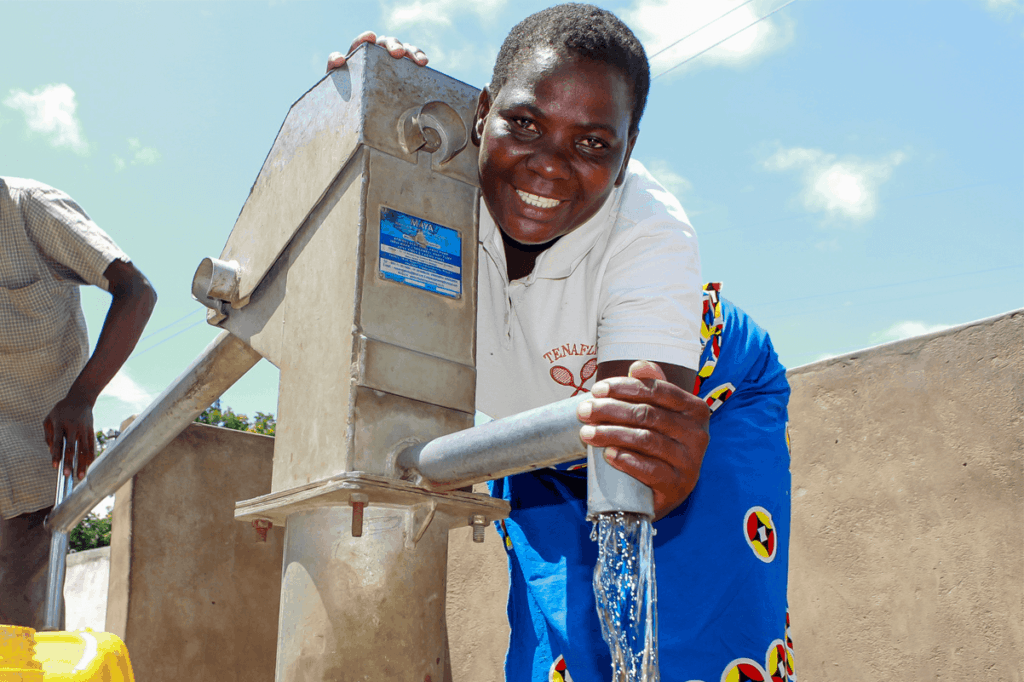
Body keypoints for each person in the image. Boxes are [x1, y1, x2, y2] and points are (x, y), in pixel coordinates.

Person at [328, 5, 792, 681]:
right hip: (536, 426)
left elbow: (638, 470)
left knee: (699, 643)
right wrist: (351, 118)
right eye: (524, 123)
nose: (548, 166)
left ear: (627, 154)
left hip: (699, 402)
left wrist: (657, 464)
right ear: (482, 111)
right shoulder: (414, 180)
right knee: (557, 653)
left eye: (592, 144)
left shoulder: (649, 232)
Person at [0, 177, 157, 629]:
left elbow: (136, 292)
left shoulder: (31, 208)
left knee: (18, 604)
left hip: (38, 454)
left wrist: (81, 397)